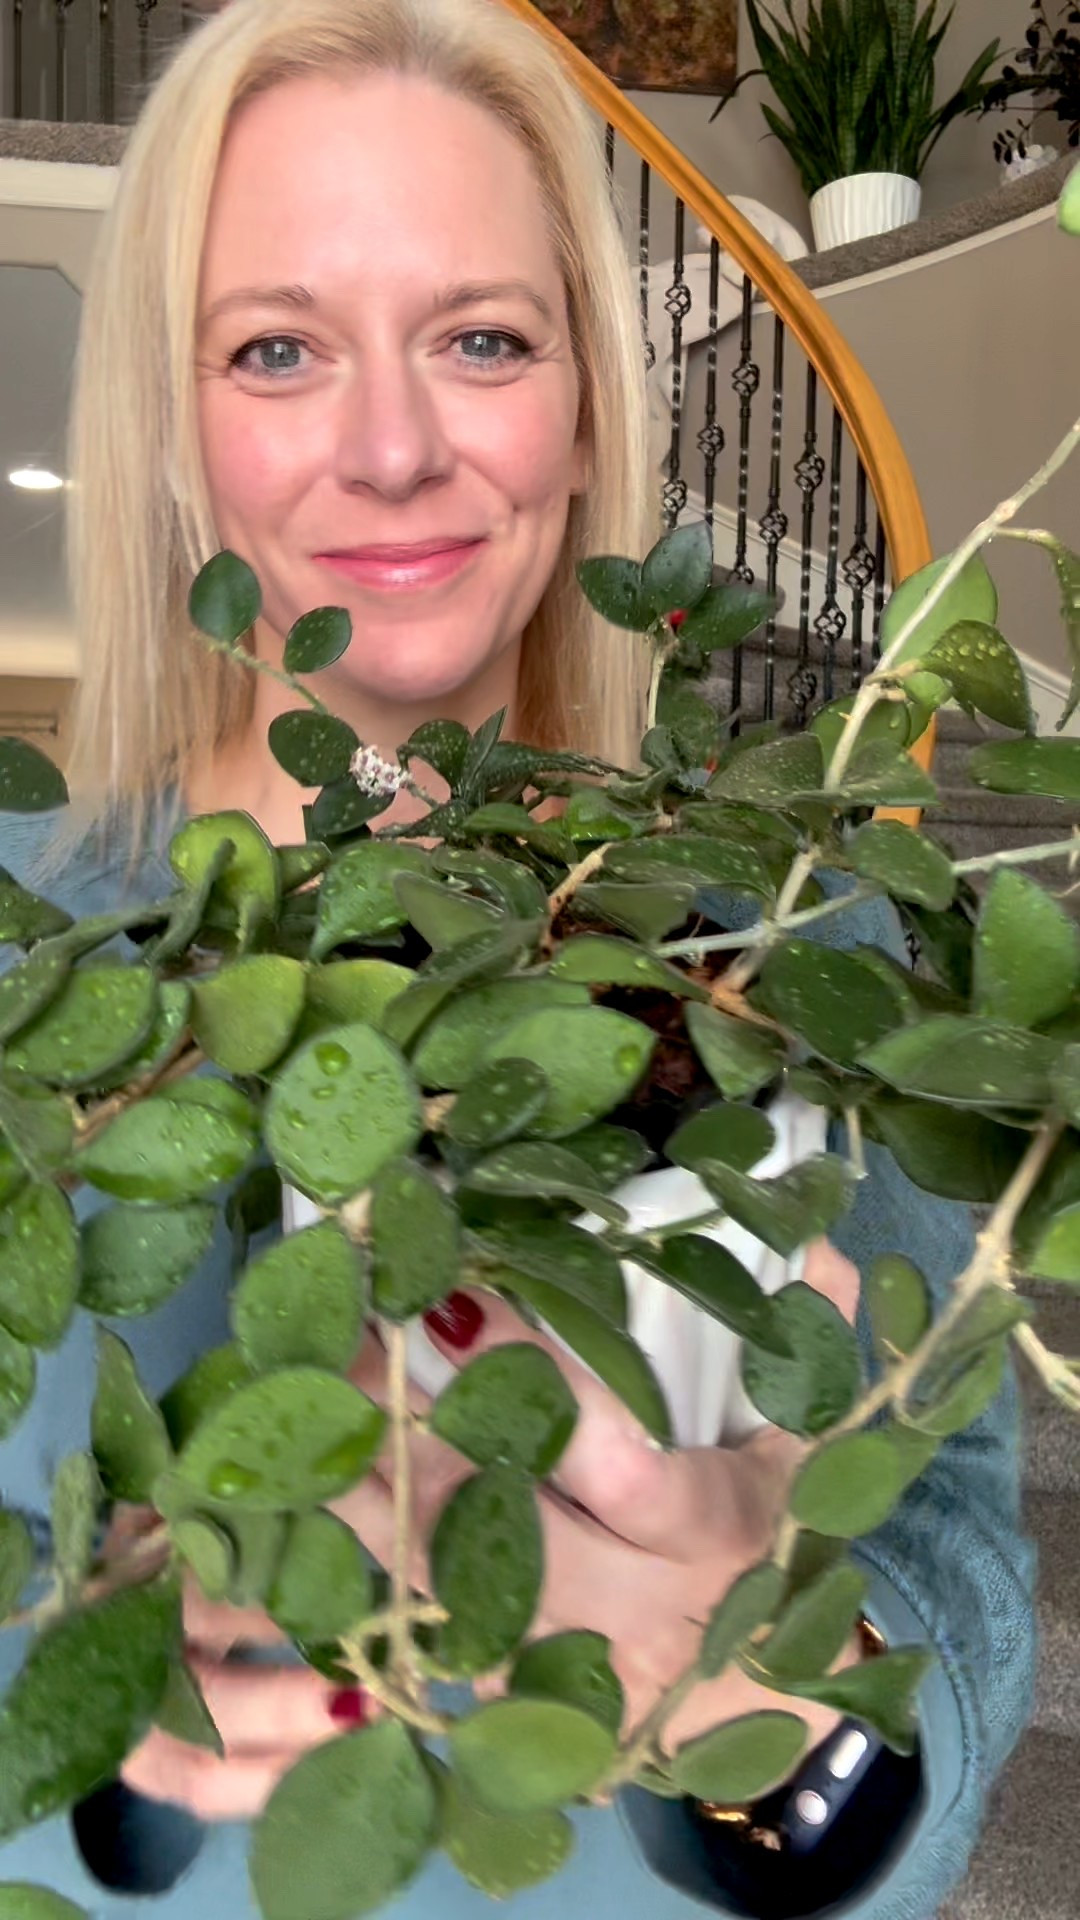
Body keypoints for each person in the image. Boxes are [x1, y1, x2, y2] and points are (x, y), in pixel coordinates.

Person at [0, 1, 1036, 1915]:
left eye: (482, 339)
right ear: (170, 425)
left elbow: (958, 1601)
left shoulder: (797, 937)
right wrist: (99, 1693)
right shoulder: (28, 942)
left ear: (583, 417)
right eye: (278, 348)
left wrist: (779, 1693)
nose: (393, 448)